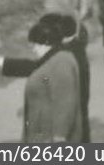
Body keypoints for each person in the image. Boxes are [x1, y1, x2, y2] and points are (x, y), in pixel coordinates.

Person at [17, 14, 85, 143]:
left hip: (51, 138)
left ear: (47, 43)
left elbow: (65, 103)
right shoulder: (51, 60)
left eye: (36, 45)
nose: (34, 49)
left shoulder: (61, 62)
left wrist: (60, 136)